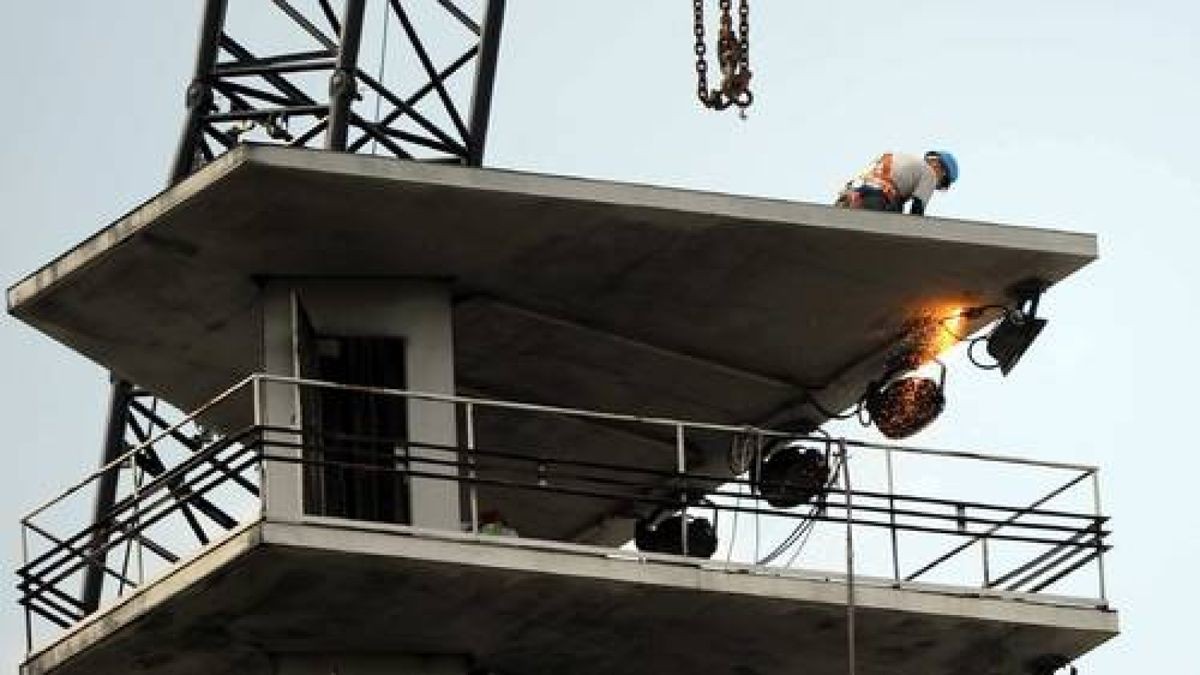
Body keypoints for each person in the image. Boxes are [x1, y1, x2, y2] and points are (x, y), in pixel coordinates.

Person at [835, 151, 959, 215]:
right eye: (940, 184)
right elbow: (917, 210)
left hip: (851, 193)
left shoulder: (902, 159)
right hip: (877, 199)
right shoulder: (930, 173)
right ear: (942, 172)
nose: (935, 186)